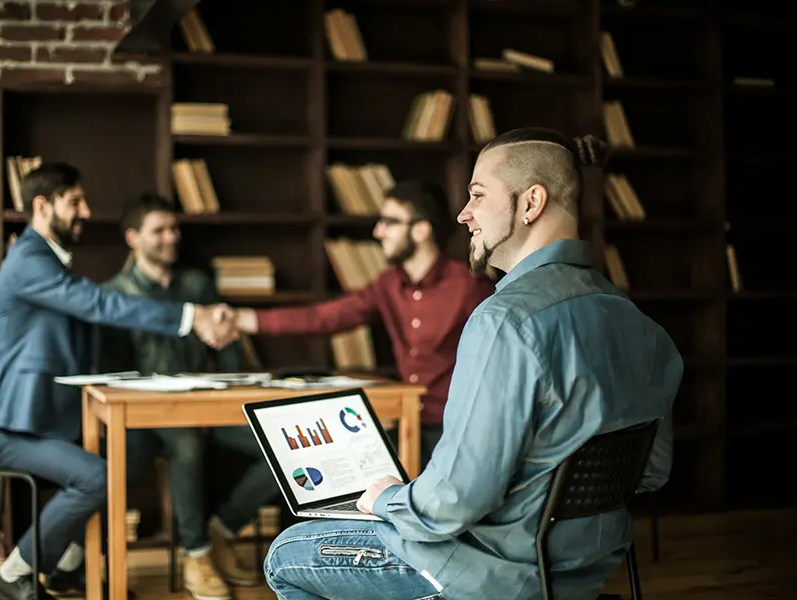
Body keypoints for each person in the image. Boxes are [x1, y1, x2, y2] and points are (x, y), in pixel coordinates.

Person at [261, 128, 683, 600]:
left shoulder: (505, 321)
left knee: (286, 553)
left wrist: (385, 498)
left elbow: (450, 505)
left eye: (478, 195)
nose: (463, 215)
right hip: (585, 569)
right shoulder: (640, 324)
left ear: (531, 203)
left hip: (495, 571)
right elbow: (652, 472)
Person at [0, 163, 237, 600]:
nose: (86, 211)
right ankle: (15, 571)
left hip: (46, 420)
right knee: (95, 476)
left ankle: (72, 566)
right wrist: (191, 316)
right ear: (42, 206)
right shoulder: (29, 261)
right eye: (74, 201)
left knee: (133, 449)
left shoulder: (49, 262)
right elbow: (99, 304)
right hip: (3, 430)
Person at [221, 180, 494, 468]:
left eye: (390, 222)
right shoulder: (388, 285)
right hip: (405, 422)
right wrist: (240, 320)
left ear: (422, 230)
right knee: (301, 453)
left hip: (456, 430)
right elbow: (324, 317)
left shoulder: (468, 286)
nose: (378, 232)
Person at [96, 193, 281, 598]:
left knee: (281, 444)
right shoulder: (116, 293)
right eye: (158, 230)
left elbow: (229, 355)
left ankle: (221, 530)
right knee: (186, 444)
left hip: (211, 407)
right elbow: (108, 372)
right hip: (151, 418)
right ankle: (196, 555)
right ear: (132, 238)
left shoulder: (198, 283)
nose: (171, 237)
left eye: (174, 228)